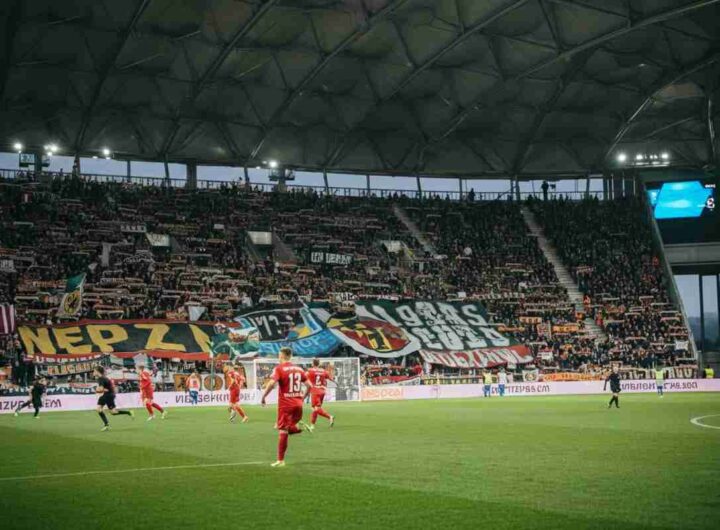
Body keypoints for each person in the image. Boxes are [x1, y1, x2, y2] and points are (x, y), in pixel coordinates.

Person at [261, 347, 312, 467]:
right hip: (298, 404)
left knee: (282, 431)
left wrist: (264, 396)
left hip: (286, 405)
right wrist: (303, 398)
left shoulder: (279, 368)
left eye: (279, 355)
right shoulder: (299, 369)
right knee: (284, 427)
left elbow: (272, 383)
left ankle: (280, 460)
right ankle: (299, 427)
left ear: (282, 355)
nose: (278, 357)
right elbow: (309, 385)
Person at [94, 366, 134, 431]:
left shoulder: (101, 379)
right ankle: (106, 425)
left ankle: (129, 412)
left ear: (97, 371)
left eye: (94, 371)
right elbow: (105, 388)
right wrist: (102, 389)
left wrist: (97, 390)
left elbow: (100, 389)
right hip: (106, 395)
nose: (93, 372)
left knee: (113, 412)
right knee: (99, 409)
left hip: (109, 395)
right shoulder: (103, 378)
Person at [306, 358, 335, 429]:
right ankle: (312, 425)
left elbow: (303, 377)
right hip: (322, 391)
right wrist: (331, 369)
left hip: (315, 390)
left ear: (313, 364)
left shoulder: (310, 371)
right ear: (319, 364)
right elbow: (332, 378)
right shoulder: (324, 371)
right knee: (315, 409)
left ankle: (330, 417)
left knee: (316, 408)